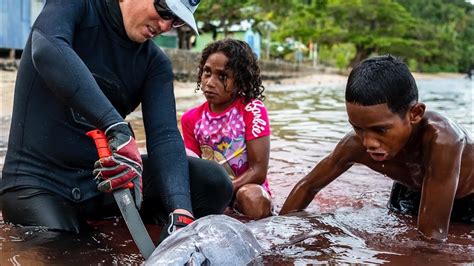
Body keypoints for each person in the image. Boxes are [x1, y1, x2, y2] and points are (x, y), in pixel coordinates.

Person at [0, 0, 233, 245]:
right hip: (39, 182)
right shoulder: (76, 5)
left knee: (213, 183)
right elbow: (47, 48)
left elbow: (164, 135)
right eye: (164, 10)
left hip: (99, 183)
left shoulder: (155, 64)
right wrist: (115, 126)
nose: (165, 26)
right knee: (71, 249)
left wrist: (181, 210)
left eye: (176, 21)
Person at [279, 55, 473, 241]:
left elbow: (432, 237)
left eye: (380, 130)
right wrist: (277, 231)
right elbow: (308, 186)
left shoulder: (444, 141)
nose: (368, 142)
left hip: (467, 200)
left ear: (415, 114)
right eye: (358, 127)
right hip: (412, 190)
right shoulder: (355, 144)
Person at [180, 39, 273, 219]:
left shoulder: (252, 110)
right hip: (213, 194)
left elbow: (258, 171)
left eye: (222, 76)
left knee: (252, 198)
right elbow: (191, 168)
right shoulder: (190, 119)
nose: (210, 83)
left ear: (241, 80)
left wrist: (223, 191)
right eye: (207, 72)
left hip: (243, 191)